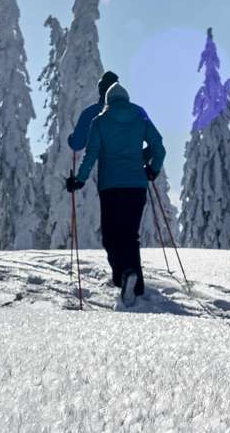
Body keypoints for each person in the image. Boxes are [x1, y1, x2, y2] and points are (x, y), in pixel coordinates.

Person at [66, 83, 166, 305]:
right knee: (130, 234)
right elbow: (159, 147)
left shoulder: (100, 122)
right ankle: (135, 282)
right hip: (136, 186)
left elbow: (90, 155)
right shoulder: (141, 119)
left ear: (109, 101)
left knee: (111, 236)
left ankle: (124, 276)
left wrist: (79, 181)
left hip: (111, 187)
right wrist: (151, 166)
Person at [68, 71, 123, 153]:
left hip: (101, 162)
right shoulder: (132, 112)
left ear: (101, 90)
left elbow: (77, 144)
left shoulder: (90, 113)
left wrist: (71, 139)